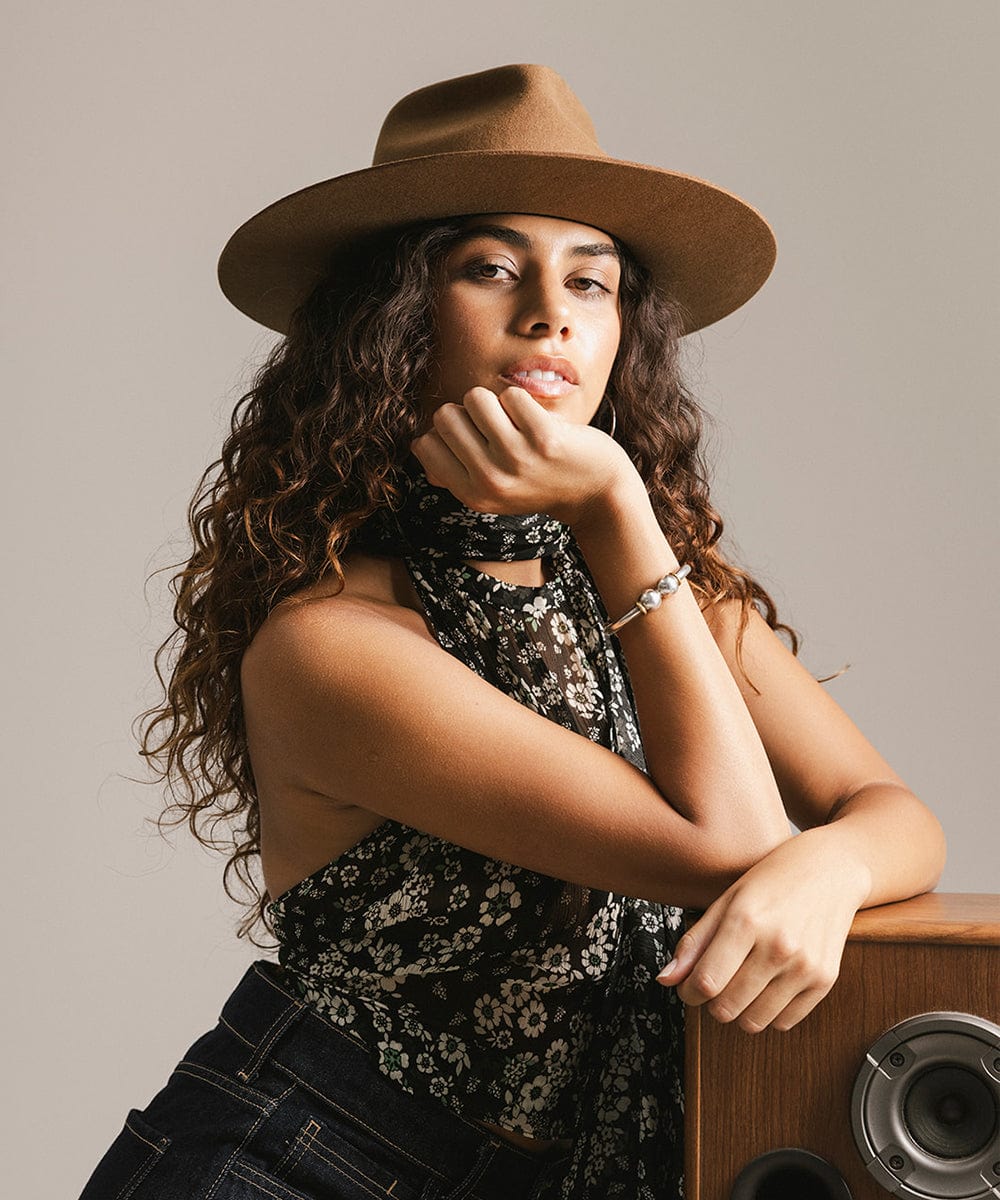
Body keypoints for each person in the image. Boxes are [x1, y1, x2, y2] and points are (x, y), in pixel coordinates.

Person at [79, 64, 945, 1200]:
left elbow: (895, 818)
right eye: (490, 268)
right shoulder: (335, 641)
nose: (549, 313)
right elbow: (728, 845)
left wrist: (827, 869)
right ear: (392, 316)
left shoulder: (667, 599)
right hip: (307, 1159)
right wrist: (616, 506)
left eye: (591, 282)